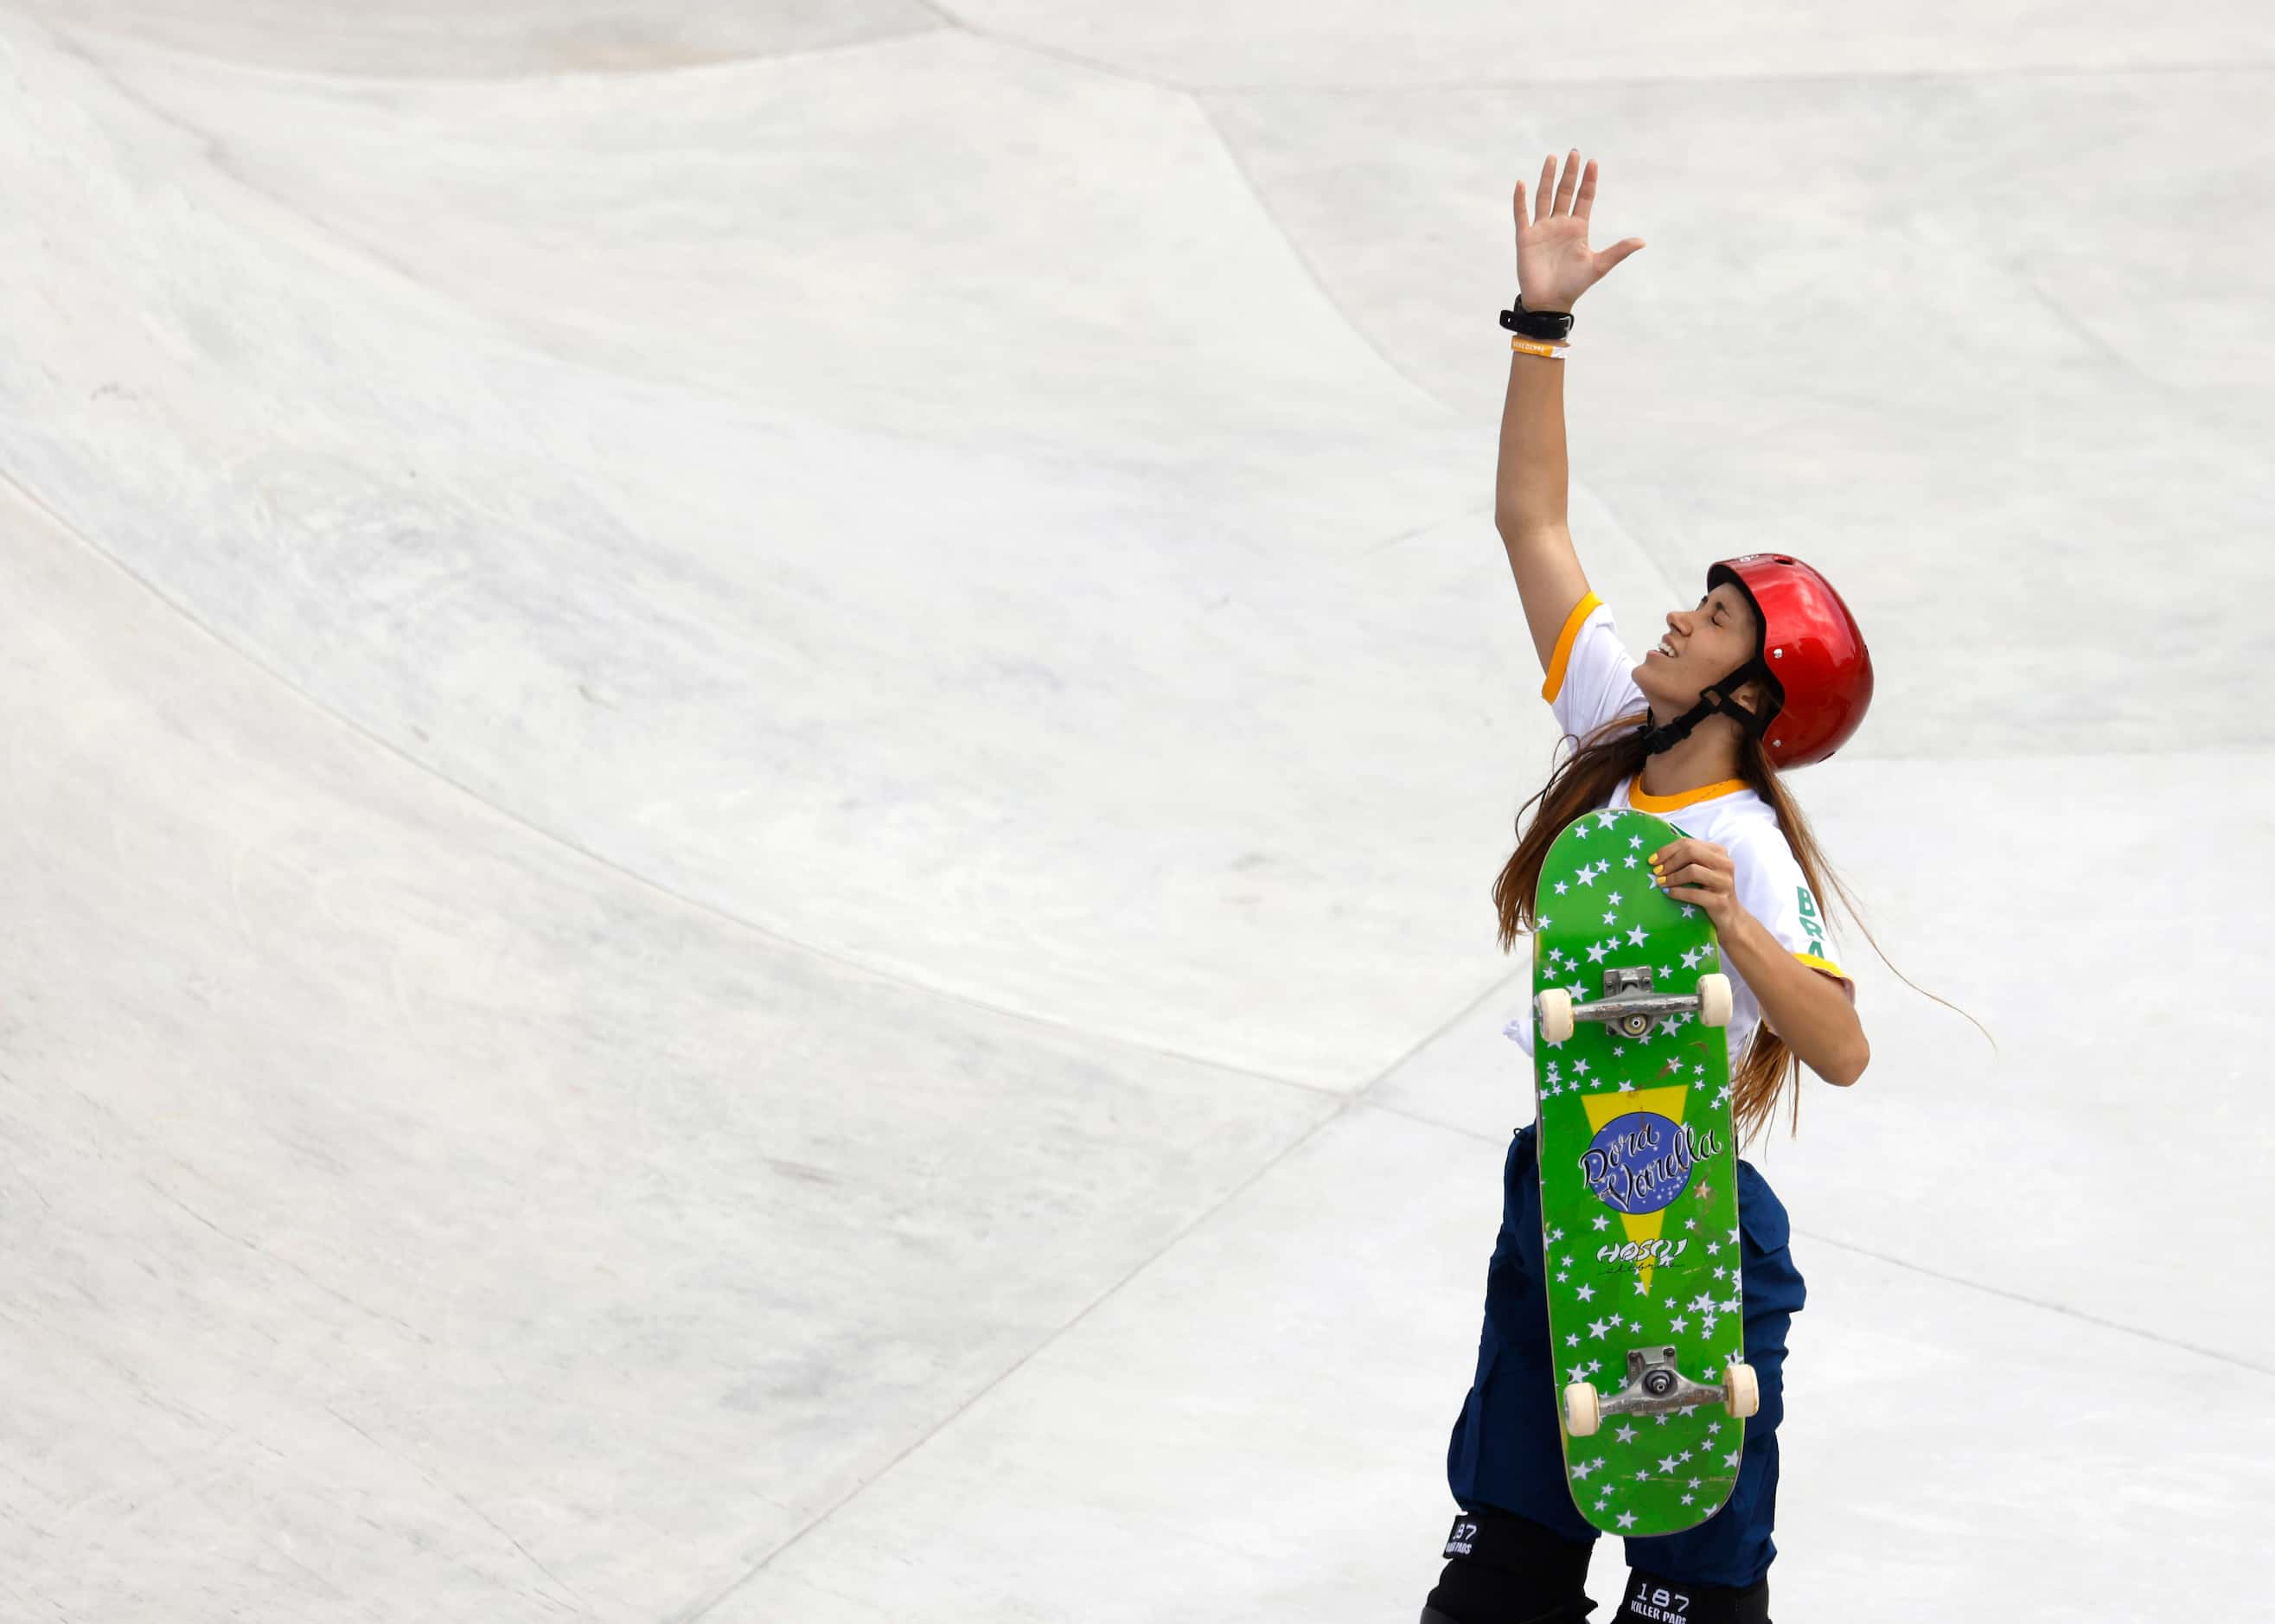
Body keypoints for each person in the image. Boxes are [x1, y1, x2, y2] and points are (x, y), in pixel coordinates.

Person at [1422, 150, 1876, 1624]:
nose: (1677, 614)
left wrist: (1729, 919)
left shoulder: (1744, 838)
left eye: (1716, 616)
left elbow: (1840, 1046)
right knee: (1499, 1580)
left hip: (1694, 1235)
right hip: (1555, 1193)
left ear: (1756, 691)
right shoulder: (1616, 722)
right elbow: (1530, 527)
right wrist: (1536, 329)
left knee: (1689, 1600)